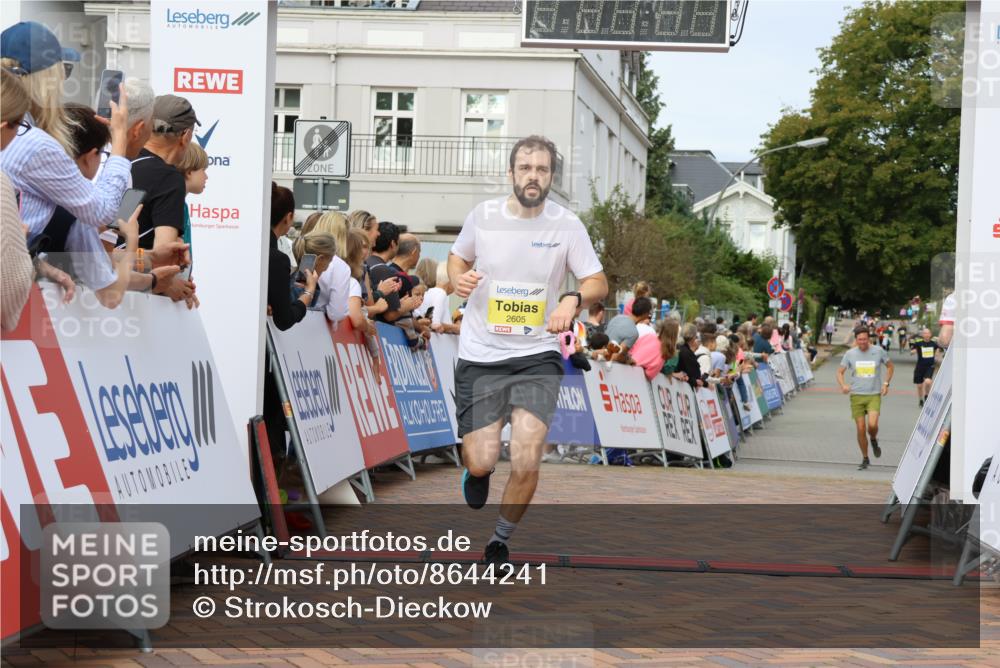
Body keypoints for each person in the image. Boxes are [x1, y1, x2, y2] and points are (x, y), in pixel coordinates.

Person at [447, 135, 607, 566]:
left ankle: (500, 539)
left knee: (527, 453)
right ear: (511, 173)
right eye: (525, 168)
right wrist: (458, 279)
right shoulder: (484, 217)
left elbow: (597, 282)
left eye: (541, 169)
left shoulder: (567, 224)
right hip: (482, 353)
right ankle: (477, 472)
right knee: (481, 460)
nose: (533, 176)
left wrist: (572, 299)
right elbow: (457, 258)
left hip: (538, 355)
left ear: (552, 175)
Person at [264, 183, 318, 472]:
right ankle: (269, 501)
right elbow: (285, 318)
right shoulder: (276, 258)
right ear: (287, 217)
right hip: (263, 360)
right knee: (271, 425)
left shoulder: (246, 247)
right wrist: (307, 295)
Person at [837, 327, 894, 470]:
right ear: (856, 340)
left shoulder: (878, 351)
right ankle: (865, 458)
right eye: (859, 339)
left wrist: (886, 384)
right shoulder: (850, 354)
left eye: (865, 339)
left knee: (872, 425)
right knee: (861, 428)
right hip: (856, 395)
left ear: (869, 339)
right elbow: (839, 372)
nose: (862, 342)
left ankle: (873, 439)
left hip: (873, 394)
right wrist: (843, 385)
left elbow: (890, 367)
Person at [290, 232, 337, 308]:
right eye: (330, 261)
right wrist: (309, 292)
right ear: (320, 259)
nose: (328, 266)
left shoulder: (296, 282)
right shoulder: (298, 288)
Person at [176, 141, 208, 248]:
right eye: (203, 170)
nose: (206, 177)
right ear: (189, 171)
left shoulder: (182, 205)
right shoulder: (174, 205)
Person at [909, 327, 941, 407]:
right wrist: (913, 351)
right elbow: (912, 350)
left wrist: (937, 355)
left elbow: (938, 351)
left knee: (928, 382)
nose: (926, 335)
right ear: (923, 335)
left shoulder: (934, 344)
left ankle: (926, 395)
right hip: (920, 367)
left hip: (930, 366)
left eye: (928, 333)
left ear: (930, 334)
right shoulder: (919, 343)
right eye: (925, 333)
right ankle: (920, 399)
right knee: (919, 386)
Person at [676, 323, 704, 389]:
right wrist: (694, 381)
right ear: (693, 336)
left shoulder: (682, 349)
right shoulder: (685, 352)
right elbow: (690, 372)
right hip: (684, 388)